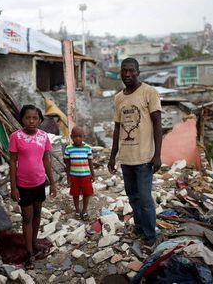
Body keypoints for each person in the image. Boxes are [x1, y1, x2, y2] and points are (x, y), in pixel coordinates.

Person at [108, 57, 162, 247]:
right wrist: (112, 156)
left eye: (131, 71)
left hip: (145, 157)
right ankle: (139, 227)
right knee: (133, 196)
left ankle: (150, 236)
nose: (128, 74)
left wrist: (157, 155)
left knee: (146, 199)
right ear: (120, 73)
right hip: (126, 158)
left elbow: (157, 124)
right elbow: (117, 128)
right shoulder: (118, 98)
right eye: (125, 71)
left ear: (138, 72)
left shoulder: (149, 92)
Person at [9, 104, 57, 269]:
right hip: (23, 185)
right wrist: (13, 187)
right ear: (22, 119)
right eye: (27, 117)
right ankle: (29, 252)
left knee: (37, 214)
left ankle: (34, 242)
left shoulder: (44, 136)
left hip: (39, 183)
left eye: (35, 118)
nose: (31, 121)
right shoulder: (16, 137)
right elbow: (13, 162)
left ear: (40, 120)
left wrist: (53, 183)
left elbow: (46, 160)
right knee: (27, 218)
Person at [64, 126, 95, 221]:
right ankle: (77, 210)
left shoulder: (87, 148)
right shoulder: (68, 148)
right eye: (75, 136)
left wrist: (93, 174)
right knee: (75, 194)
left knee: (87, 193)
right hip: (74, 176)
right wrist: (68, 177)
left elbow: (90, 162)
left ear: (83, 137)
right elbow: (67, 164)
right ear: (71, 137)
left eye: (80, 136)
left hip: (86, 176)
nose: (77, 138)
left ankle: (84, 210)